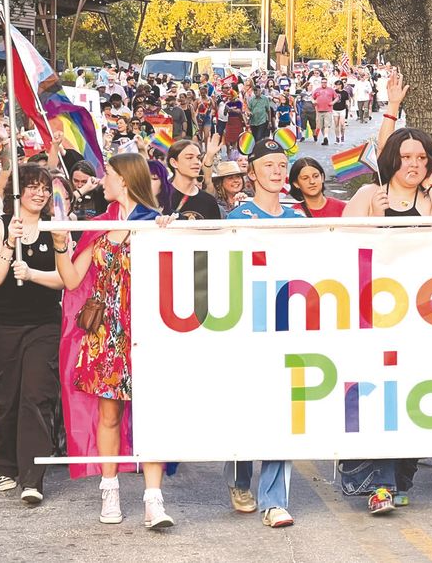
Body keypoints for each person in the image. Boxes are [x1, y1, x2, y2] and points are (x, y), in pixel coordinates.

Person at [53, 153, 175, 529]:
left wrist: (171, 230)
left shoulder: (157, 222)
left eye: (107, 174)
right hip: (107, 332)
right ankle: (110, 490)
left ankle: (154, 500)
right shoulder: (100, 225)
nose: (101, 180)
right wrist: (61, 244)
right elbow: (73, 280)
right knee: (109, 414)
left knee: (152, 413)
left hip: (150, 329)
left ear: (124, 179)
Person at [339, 125, 432, 514]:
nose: (415, 164)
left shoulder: (430, 196)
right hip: (373, 317)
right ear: (392, 159)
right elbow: (339, 245)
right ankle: (380, 484)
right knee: (379, 400)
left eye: (422, 158)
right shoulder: (369, 194)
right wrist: (373, 218)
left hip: (423, 319)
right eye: (407, 157)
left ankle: (401, 478)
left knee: (414, 399)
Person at [225, 138, 303, 528]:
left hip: (287, 327)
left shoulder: (300, 219)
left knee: (281, 413)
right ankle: (239, 477)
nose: (276, 171)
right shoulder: (236, 218)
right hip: (244, 329)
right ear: (251, 172)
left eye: (280, 164)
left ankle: (274, 499)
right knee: (246, 407)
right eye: (268, 165)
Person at [0, 165, 65, 505]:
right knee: (6, 400)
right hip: (4, 325)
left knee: (36, 395)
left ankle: (33, 475)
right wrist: (9, 243)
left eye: (45, 187)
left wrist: (31, 274)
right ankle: (6, 464)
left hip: (44, 323)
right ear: (17, 192)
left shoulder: (55, 228)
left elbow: (64, 278)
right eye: (31, 186)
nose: (39, 193)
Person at [166, 140, 223, 220]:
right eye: (189, 158)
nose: (197, 162)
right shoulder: (160, 197)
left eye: (198, 158)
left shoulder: (209, 201)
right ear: (174, 163)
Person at [313, 78, 337, 145]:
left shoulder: (330, 90)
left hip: (328, 110)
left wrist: (333, 102)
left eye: (325, 82)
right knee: (321, 126)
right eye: (323, 82)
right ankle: (325, 138)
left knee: (326, 125)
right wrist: (314, 101)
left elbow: (337, 97)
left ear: (327, 83)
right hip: (319, 110)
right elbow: (312, 97)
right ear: (321, 83)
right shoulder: (317, 90)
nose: (324, 83)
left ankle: (326, 137)